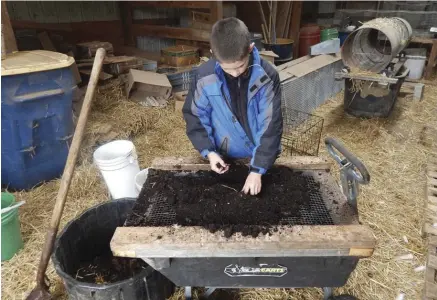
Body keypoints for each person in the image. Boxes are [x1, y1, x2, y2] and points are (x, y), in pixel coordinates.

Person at [182, 17, 283, 195]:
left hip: (257, 154)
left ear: (250, 49)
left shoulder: (266, 76)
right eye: (228, 69)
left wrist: (257, 169)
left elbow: (270, 125)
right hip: (224, 155)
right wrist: (210, 152)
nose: (235, 73)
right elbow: (196, 116)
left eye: (240, 66)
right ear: (214, 54)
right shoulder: (204, 77)